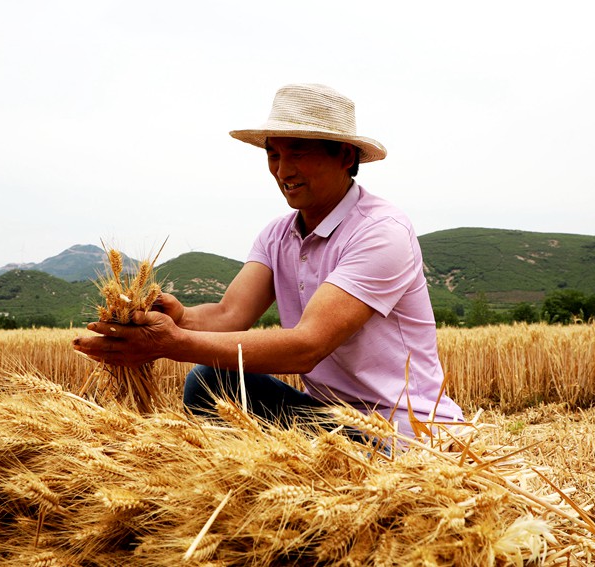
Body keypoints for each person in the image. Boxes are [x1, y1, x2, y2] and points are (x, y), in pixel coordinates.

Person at [73, 83, 463, 438]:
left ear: (345, 155)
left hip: (404, 433)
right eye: (273, 154)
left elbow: (307, 346)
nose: (282, 170)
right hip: (331, 421)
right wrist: (178, 317)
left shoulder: (381, 231)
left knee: (207, 377)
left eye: (298, 152)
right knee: (210, 382)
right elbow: (229, 315)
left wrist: (170, 344)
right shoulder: (278, 235)